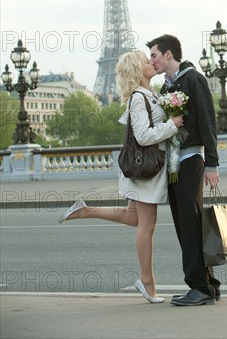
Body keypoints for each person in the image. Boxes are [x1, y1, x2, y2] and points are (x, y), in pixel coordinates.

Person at [58, 50, 184, 304]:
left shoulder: (146, 94)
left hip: (143, 169)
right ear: (138, 70)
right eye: (146, 61)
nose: (151, 62)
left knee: (134, 217)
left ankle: (84, 211)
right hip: (146, 170)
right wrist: (172, 124)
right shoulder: (139, 98)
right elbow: (143, 137)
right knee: (147, 225)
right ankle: (147, 283)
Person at [147, 34, 221, 307]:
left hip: (190, 161)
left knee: (189, 226)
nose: (150, 60)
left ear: (168, 54)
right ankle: (209, 285)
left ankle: (199, 287)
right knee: (187, 225)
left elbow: (207, 120)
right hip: (174, 164)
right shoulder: (166, 88)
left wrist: (212, 162)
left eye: (154, 54)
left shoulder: (193, 78)